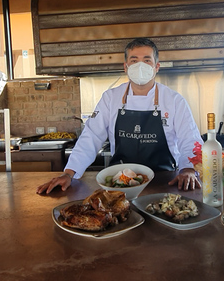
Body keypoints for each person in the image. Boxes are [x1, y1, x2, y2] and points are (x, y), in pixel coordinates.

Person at [36, 38, 203, 194]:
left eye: (147, 60)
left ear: (156, 67)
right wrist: (69, 173)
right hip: (120, 183)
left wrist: (188, 169)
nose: (140, 65)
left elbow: (190, 140)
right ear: (126, 67)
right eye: (134, 60)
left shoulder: (174, 100)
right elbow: (91, 137)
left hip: (165, 181)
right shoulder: (110, 98)